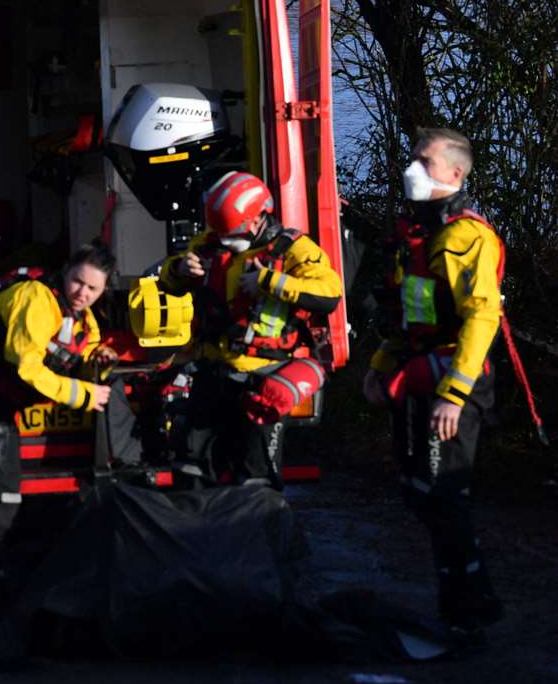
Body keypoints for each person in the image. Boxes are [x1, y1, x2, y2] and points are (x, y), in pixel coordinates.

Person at [363, 128, 505, 631]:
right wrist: (381, 366)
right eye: (414, 159)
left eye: (426, 162)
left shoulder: (466, 236)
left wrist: (455, 394)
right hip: (417, 373)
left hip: (452, 382)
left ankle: (467, 612)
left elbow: (481, 318)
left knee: (446, 496)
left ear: (455, 174)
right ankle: (472, 597)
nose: (413, 170)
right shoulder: (418, 235)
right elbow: (411, 314)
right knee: (416, 489)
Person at [0, 245, 122, 625]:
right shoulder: (37, 299)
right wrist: (85, 396)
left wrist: (99, 361)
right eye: (77, 281)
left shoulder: (83, 319)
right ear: (65, 271)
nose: (82, 293)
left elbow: (81, 351)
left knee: (5, 500)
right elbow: (26, 367)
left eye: (93, 288)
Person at [158, 170, 343, 486]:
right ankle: (197, 527)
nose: (226, 239)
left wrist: (270, 281)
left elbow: (329, 294)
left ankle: (260, 528)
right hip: (213, 371)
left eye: (233, 232)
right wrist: (179, 268)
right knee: (190, 465)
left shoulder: (295, 250)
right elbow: (169, 280)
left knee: (255, 475)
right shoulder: (211, 242)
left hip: (262, 379)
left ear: (260, 219)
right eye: (221, 232)